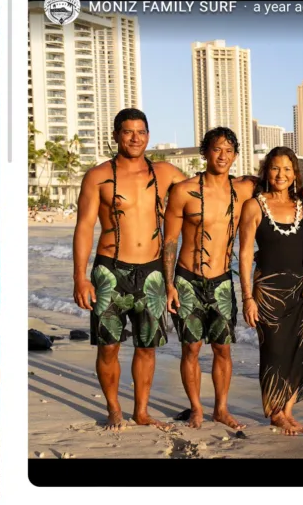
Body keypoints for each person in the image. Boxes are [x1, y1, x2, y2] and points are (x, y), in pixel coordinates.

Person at [72, 108, 186, 431]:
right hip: (110, 270)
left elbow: (205, 190)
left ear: (148, 135)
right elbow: (83, 228)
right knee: (108, 347)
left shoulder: (165, 173)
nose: (135, 138)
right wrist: (80, 277)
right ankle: (113, 408)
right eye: (128, 132)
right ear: (115, 136)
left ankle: (142, 411)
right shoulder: (98, 177)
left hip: (151, 272)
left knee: (147, 346)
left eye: (141, 131)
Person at [161, 127, 257, 430]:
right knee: (190, 347)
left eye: (229, 151)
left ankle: (221, 408)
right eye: (217, 149)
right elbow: (170, 241)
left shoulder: (243, 189)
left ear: (236, 156)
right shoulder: (183, 191)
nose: (223, 156)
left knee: (223, 348)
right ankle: (197, 408)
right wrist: (169, 286)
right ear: (205, 152)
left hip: (222, 281)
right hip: (188, 279)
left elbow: (285, 178)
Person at [238, 146, 303, 435]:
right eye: (276, 168)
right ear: (266, 171)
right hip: (269, 290)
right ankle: (275, 412)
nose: (281, 174)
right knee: (275, 352)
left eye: (287, 169)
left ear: (295, 175)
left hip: (301, 288)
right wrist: (247, 298)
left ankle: (288, 411)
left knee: (300, 351)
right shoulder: (254, 205)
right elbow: (243, 254)